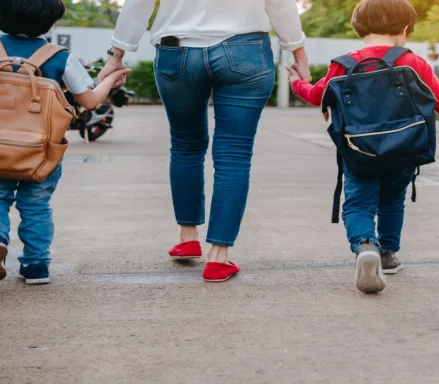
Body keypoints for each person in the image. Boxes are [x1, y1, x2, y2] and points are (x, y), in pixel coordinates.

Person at [99, 0, 311, 282]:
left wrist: (116, 55)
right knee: (234, 154)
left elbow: (139, 4)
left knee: (186, 145)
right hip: (245, 50)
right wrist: (298, 53)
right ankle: (218, 257)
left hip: (177, 51)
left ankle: (188, 237)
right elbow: (280, 4)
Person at [287, 0, 439, 293]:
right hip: (405, 148)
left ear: (359, 28)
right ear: (405, 29)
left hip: (359, 150)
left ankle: (366, 245)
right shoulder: (412, 61)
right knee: (392, 199)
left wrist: (295, 83)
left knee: (358, 203)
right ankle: (388, 255)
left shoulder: (343, 63)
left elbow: (317, 95)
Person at [0, 0, 130, 284]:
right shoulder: (59, 57)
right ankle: (36, 265)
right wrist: (111, 79)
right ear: (49, 22)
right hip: (41, 150)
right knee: (35, 205)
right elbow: (90, 101)